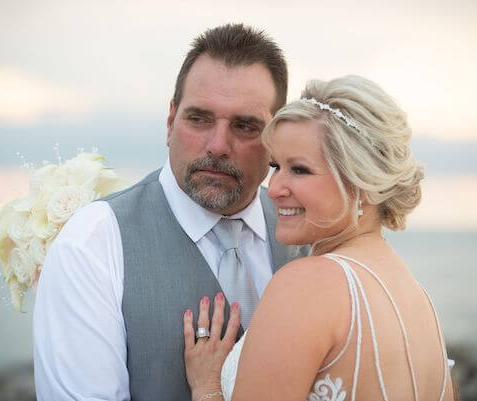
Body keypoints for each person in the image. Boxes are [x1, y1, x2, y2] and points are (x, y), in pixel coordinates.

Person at [33, 23, 304, 401]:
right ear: (170, 121)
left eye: (245, 126)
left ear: (277, 138)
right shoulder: (93, 244)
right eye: (199, 119)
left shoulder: (309, 237)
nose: (218, 145)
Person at [183, 76, 455, 401]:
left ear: (361, 184)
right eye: (276, 166)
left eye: (299, 170)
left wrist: (207, 388)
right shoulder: (417, 297)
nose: (275, 189)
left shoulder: (307, 284)